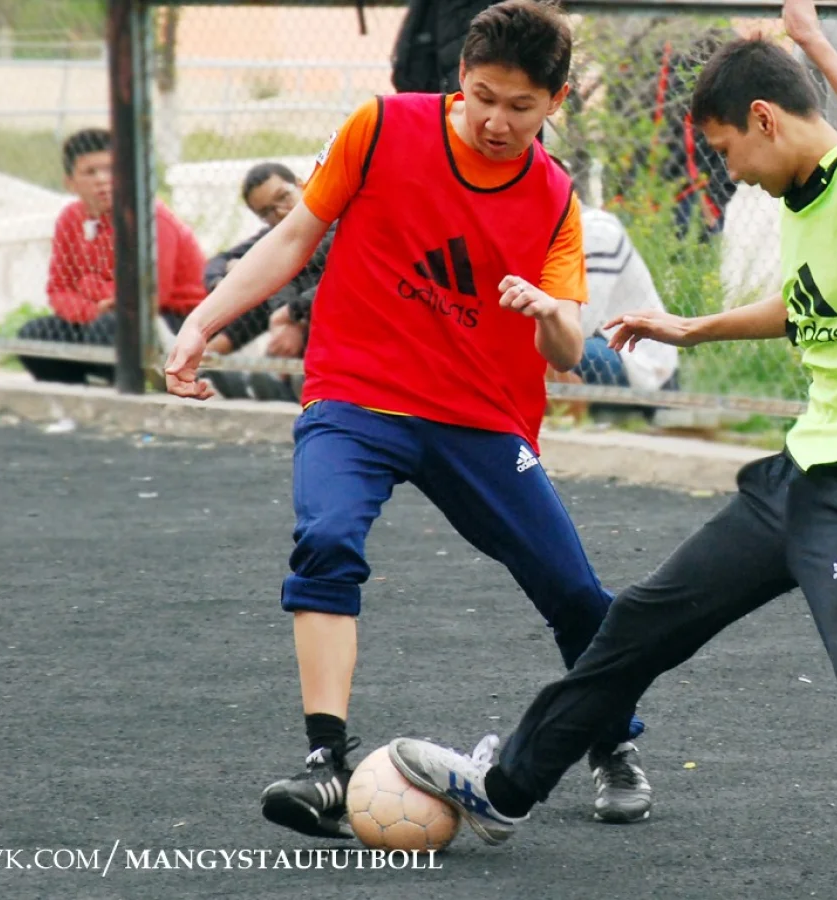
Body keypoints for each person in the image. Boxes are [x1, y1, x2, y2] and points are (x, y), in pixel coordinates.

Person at [389, 9, 837, 898]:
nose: (729, 172)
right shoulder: (802, 197)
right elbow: (810, 303)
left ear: (765, 119)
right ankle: (504, 793)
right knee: (640, 621)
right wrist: (693, 327)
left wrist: (814, 44)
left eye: (728, 150)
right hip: (800, 476)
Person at [162, 0, 650, 840]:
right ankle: (324, 762)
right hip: (357, 392)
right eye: (484, 96)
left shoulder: (554, 197)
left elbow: (569, 347)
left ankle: (611, 739)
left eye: (521, 107)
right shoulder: (382, 128)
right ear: (461, 76)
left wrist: (548, 313)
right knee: (326, 538)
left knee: (574, 590)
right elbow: (294, 239)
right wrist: (203, 323)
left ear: (556, 102)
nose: (496, 121)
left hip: (480, 416)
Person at [18, 128, 206, 385]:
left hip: (171, 321)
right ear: (70, 182)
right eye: (90, 172)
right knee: (35, 334)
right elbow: (59, 289)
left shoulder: (149, 218)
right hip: (99, 315)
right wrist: (93, 308)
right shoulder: (70, 219)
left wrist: (88, 286)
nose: (102, 180)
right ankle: (80, 398)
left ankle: (128, 390)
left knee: (109, 329)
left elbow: (149, 296)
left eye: (110, 169)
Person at [202, 162, 334, 401]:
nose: (280, 213)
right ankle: (208, 359)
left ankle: (288, 383)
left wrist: (292, 315)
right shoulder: (277, 237)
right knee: (263, 283)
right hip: (293, 322)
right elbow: (219, 261)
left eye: (283, 197)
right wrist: (222, 284)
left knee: (271, 277)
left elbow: (344, 281)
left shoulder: (337, 219)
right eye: (267, 212)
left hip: (333, 321)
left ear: (301, 185)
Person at [571, 205, 679, 391]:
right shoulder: (535, 232)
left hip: (637, 360)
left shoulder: (596, 229)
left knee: (562, 352)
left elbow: (582, 325)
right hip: (595, 339)